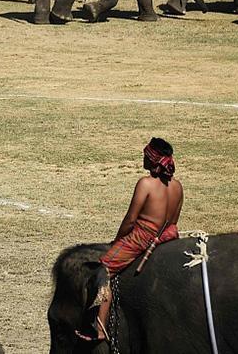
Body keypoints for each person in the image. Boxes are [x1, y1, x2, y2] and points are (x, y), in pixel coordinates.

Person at [75, 138, 183, 343]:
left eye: (146, 154)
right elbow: (174, 221)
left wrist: (117, 241)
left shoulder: (146, 184)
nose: (143, 157)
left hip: (143, 236)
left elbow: (131, 219)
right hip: (168, 235)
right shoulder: (177, 186)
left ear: (152, 159)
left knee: (103, 270)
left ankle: (99, 327)